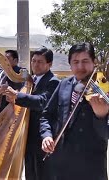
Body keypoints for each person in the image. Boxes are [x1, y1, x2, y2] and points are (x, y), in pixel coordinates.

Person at [40, 42, 109, 180]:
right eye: (75, 62)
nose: (80, 67)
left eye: (85, 61)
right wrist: (46, 135)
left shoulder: (104, 89)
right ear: (70, 64)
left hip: (91, 168)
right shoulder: (64, 84)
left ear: (94, 62)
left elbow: (106, 134)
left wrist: (100, 116)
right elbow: (46, 115)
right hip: (60, 165)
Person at [0, 47, 59, 180]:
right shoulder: (33, 80)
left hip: (41, 136)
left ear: (49, 64)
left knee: (42, 173)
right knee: (30, 172)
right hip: (28, 135)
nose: (35, 65)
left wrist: (17, 96)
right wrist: (14, 99)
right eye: (33, 61)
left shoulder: (53, 82)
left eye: (40, 62)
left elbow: (43, 102)